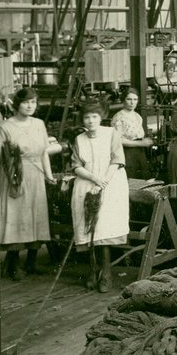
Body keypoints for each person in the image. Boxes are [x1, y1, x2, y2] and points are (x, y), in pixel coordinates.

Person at [70, 101, 130, 291]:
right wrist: (93, 178)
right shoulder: (79, 139)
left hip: (110, 182)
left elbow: (117, 160)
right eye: (87, 117)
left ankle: (106, 273)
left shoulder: (111, 133)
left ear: (101, 117)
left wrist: (102, 182)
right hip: (87, 181)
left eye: (94, 117)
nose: (90, 121)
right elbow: (76, 166)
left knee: (104, 228)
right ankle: (92, 270)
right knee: (87, 227)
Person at [0, 87, 55, 280]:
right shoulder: (5, 127)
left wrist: (49, 175)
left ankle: (31, 262)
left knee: (36, 215)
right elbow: (1, 156)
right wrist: (12, 177)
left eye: (33, 102)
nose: (30, 106)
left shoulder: (39, 124)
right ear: (17, 104)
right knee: (17, 216)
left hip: (36, 175)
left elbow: (44, 152)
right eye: (26, 102)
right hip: (15, 175)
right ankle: (13, 265)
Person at [110, 88, 155, 180]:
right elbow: (118, 140)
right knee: (131, 178)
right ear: (123, 100)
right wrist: (141, 143)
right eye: (129, 99)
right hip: (127, 153)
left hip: (140, 152)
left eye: (135, 99)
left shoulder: (138, 116)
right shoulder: (119, 117)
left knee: (143, 178)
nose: (132, 102)